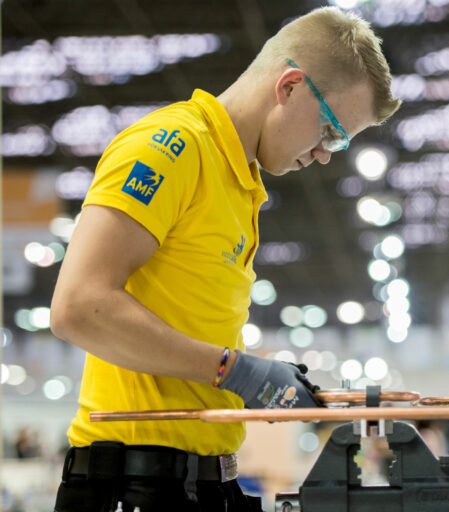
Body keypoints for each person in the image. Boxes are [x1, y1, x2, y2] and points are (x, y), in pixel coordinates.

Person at [49, 7, 401, 511]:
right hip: (133, 483)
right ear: (290, 87)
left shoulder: (239, 183)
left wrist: (249, 376)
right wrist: (235, 371)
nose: (326, 153)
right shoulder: (170, 148)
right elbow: (78, 308)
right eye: (331, 131)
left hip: (204, 480)